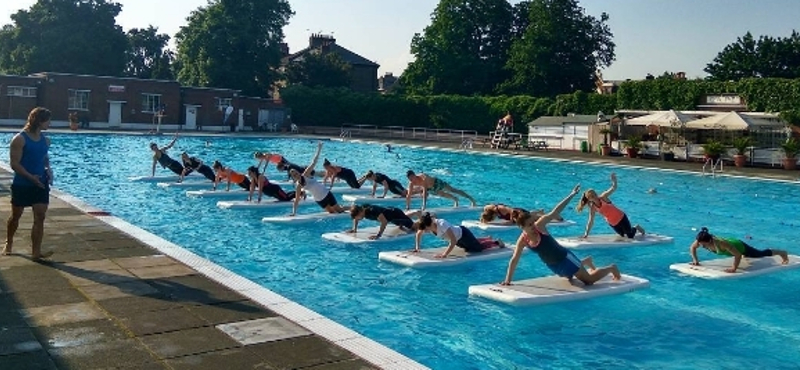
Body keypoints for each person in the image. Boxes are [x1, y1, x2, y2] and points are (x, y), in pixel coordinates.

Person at [502, 185, 622, 286]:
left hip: (565, 258)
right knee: (569, 277)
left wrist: (572, 194)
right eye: (529, 225)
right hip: (553, 266)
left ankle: (611, 268)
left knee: (588, 281)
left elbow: (556, 211)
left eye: (533, 222)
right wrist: (507, 281)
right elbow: (514, 260)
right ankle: (586, 261)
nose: (533, 225)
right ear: (521, 228)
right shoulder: (523, 240)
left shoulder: (540, 226)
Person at [3, 107, 53, 260]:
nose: (49, 123)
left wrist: (49, 170)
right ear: (39, 121)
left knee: (40, 216)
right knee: (16, 216)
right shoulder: (20, 139)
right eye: (47, 120)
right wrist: (31, 177)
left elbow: (44, 159)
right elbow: (14, 164)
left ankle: (36, 252)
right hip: (23, 184)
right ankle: (9, 242)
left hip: (40, 184)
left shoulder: (46, 140)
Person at [576, 173, 645, 240]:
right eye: (592, 197)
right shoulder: (593, 208)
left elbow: (613, 188)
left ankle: (636, 227)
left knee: (630, 236)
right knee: (622, 235)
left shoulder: (603, 197)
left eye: (595, 194)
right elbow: (591, 221)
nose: (595, 197)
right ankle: (629, 229)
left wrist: (614, 181)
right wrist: (586, 234)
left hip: (621, 217)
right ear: (590, 199)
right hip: (613, 223)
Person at [689, 227, 790, 273]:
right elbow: (692, 248)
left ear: (709, 240)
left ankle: (782, 253)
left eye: (702, 243)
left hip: (738, 246)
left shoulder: (721, 243)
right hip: (731, 246)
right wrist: (695, 260)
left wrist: (734, 268)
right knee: (746, 256)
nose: (699, 245)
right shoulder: (700, 240)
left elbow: (737, 255)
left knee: (759, 254)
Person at [412, 212, 504, 259]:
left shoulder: (442, 224)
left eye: (427, 229)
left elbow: (453, 241)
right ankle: (486, 238)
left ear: (430, 224)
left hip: (463, 234)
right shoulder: (425, 224)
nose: (426, 232)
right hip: (458, 239)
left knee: (478, 249)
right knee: (468, 249)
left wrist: (444, 254)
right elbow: (418, 234)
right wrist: (417, 247)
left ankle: (496, 242)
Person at [289, 142, 345, 215]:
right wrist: (294, 213)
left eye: (296, 173)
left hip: (326, 193)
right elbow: (296, 200)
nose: (296, 175)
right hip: (319, 200)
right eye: (294, 175)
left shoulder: (305, 175)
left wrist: (319, 149)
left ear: (298, 172)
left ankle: (352, 208)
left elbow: (314, 162)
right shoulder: (299, 186)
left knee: (339, 210)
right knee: (331, 212)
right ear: (293, 177)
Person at [405, 170, 476, 210]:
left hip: (437, 183)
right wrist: (407, 207)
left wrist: (424, 205)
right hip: (431, 188)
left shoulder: (423, 177)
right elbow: (408, 195)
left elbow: (425, 192)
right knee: (443, 194)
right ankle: (455, 199)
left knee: (452, 190)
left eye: (412, 178)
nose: (411, 180)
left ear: (415, 175)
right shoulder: (411, 183)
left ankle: (471, 199)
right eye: (409, 179)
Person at [347, 204, 415, 240]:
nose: (358, 219)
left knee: (414, 228)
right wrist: (354, 229)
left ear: (360, 212)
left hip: (395, 214)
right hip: (391, 217)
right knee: (399, 224)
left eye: (358, 217)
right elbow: (355, 219)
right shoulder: (361, 209)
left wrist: (378, 235)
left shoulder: (372, 211)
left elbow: (384, 222)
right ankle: (409, 216)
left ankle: (416, 213)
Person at [480, 204, 563, 224]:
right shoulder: (487, 209)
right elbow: (484, 213)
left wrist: (511, 221)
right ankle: (539, 211)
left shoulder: (500, 208)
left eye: (493, 218)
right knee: (530, 214)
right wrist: (482, 220)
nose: (495, 219)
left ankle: (554, 216)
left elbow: (511, 210)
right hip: (517, 215)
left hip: (517, 212)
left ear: (493, 214)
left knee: (535, 219)